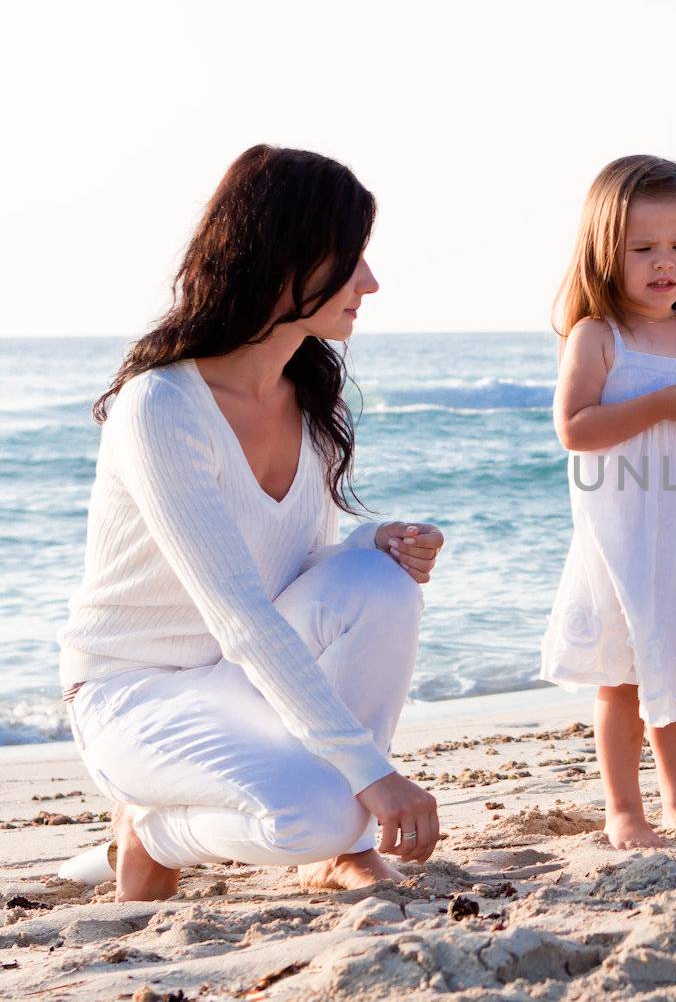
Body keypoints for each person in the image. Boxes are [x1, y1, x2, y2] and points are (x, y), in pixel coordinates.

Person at [57, 145, 446, 900]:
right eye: (352, 257)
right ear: (284, 260)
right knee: (316, 808)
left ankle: (347, 845)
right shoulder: (161, 407)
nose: (371, 281)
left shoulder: (308, 398)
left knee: (380, 583)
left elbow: (297, 562)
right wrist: (376, 775)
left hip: (231, 680)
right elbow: (239, 613)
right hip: (132, 694)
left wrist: (379, 541)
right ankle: (150, 828)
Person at [542, 155, 676, 849]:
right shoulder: (599, 337)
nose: (663, 263)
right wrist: (663, 404)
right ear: (608, 252)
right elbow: (576, 428)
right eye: (643, 249)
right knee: (624, 679)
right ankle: (624, 810)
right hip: (624, 536)